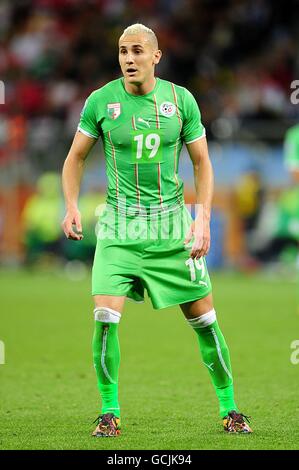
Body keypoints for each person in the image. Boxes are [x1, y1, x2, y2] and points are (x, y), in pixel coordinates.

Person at [61, 23, 252, 437]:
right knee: (105, 317)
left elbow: (202, 163)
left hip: (171, 227)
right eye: (122, 52)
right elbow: (75, 157)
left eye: (137, 52)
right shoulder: (100, 102)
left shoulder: (180, 101)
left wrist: (201, 219)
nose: (128, 59)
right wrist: (72, 205)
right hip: (118, 227)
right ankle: (108, 412)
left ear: (156, 56)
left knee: (205, 321)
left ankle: (231, 408)